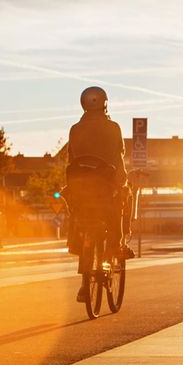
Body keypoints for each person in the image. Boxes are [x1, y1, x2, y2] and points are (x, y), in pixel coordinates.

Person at [67, 86, 135, 301]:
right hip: (105, 187)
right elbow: (118, 157)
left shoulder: (75, 129)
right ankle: (118, 245)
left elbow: (71, 158)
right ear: (105, 103)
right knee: (122, 202)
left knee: (78, 217)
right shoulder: (113, 127)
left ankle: (83, 280)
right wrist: (122, 183)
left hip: (80, 188)